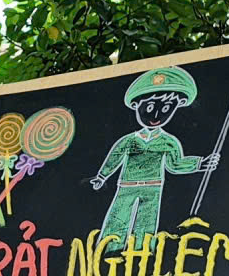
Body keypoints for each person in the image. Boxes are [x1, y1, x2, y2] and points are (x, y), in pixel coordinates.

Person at [90, 66, 219, 253]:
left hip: (153, 187)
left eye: (166, 108)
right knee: (119, 218)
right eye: (149, 108)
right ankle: (110, 250)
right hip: (127, 186)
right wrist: (102, 176)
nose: (156, 116)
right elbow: (115, 157)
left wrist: (200, 163)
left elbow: (174, 165)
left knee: (146, 222)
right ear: (136, 106)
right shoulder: (130, 140)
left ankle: (142, 253)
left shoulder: (168, 142)